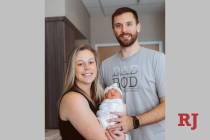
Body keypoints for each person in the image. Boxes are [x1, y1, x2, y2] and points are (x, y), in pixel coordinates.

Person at [100, 7, 165, 140]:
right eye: (118, 25)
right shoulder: (105, 66)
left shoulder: (158, 59)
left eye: (129, 24)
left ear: (138, 27)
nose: (124, 30)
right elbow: (100, 104)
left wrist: (134, 121)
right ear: (114, 30)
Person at [58, 44, 125, 140]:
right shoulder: (73, 99)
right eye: (80, 64)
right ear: (73, 69)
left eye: (91, 62)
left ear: (96, 66)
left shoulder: (100, 97)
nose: (87, 67)